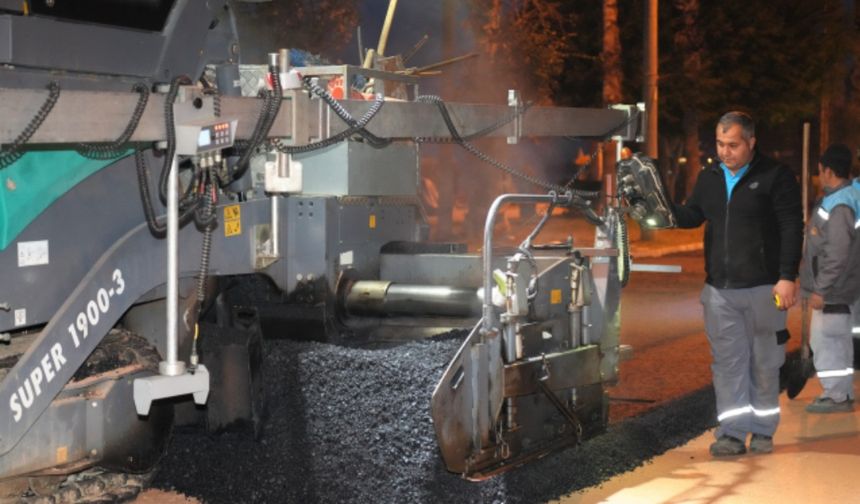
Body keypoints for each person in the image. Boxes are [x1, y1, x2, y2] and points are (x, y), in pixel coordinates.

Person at [672, 111, 803, 456]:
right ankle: (731, 433)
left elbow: (792, 226)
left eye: (733, 145)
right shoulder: (709, 178)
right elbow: (692, 215)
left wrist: (787, 277)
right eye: (720, 144)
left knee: (764, 362)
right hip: (719, 292)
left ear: (751, 142)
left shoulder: (776, 176)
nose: (725, 151)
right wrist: (662, 211)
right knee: (727, 365)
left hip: (766, 289)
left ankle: (762, 431)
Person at [799, 143, 860, 413]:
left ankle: (836, 396)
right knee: (838, 341)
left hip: (834, 289)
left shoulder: (839, 204)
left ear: (828, 171)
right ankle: (841, 392)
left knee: (826, 340)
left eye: (820, 170)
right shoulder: (849, 196)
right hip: (843, 286)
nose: (819, 175)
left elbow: (837, 252)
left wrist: (820, 289)